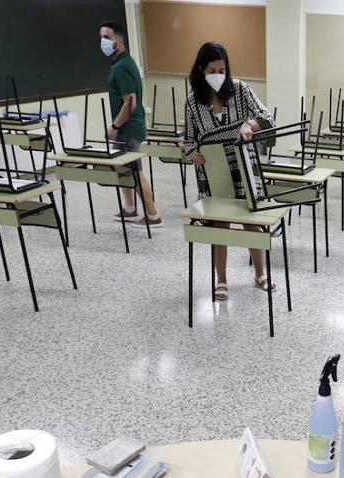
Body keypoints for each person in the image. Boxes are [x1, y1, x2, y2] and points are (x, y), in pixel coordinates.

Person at [182, 42, 273, 301]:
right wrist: (192, 153)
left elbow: (268, 118)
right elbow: (188, 138)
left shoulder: (241, 90)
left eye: (222, 69)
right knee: (219, 225)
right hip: (213, 171)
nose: (218, 74)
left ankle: (260, 273)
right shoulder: (192, 102)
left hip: (243, 166)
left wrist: (249, 124)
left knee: (250, 221)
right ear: (201, 70)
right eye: (212, 69)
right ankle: (221, 280)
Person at [99, 20, 161, 228]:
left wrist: (114, 127)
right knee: (125, 170)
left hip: (127, 128)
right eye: (101, 37)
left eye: (107, 37)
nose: (103, 41)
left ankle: (153, 216)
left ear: (119, 41)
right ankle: (130, 209)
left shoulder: (123, 67)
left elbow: (130, 101)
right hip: (128, 127)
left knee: (135, 171)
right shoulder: (121, 64)